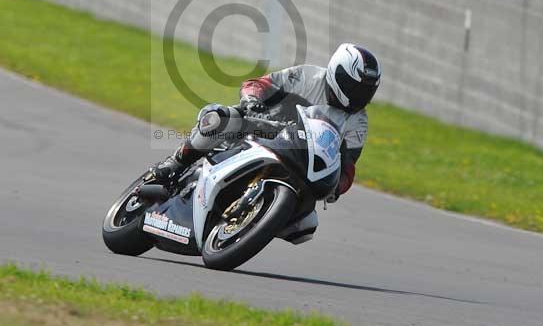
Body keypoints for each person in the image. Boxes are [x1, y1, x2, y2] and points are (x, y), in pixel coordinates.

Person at [150, 43, 381, 241]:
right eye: (353, 87)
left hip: (302, 165)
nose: (358, 95)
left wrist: (337, 186)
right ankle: (175, 163)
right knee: (219, 118)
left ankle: (253, 220)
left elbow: (347, 164)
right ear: (336, 73)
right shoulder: (309, 77)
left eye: (366, 91)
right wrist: (252, 100)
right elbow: (259, 84)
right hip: (266, 129)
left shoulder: (358, 121)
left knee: (305, 226)